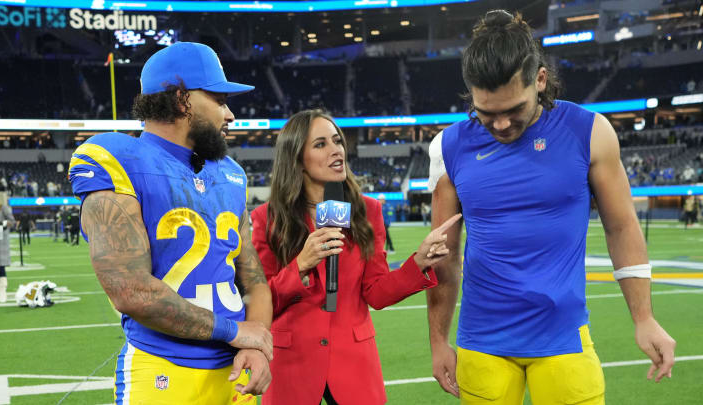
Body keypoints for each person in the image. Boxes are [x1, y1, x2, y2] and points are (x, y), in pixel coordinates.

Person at [426, 10, 676, 405]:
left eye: (514, 109)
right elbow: (444, 256)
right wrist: (438, 340)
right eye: (487, 113)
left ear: (540, 80)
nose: (503, 125)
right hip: (482, 341)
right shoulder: (448, 147)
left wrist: (643, 318)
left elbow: (622, 227)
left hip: (563, 336)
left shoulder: (590, 132)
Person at [69, 42, 273, 404]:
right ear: (183, 99)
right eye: (220, 99)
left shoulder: (230, 175)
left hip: (234, 375)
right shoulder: (117, 160)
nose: (230, 115)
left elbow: (254, 282)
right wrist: (236, 332)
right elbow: (131, 290)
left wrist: (256, 345)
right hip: (164, 371)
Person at [250, 109, 461, 405]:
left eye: (337, 141)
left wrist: (419, 263)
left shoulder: (368, 211)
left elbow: (376, 292)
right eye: (321, 144)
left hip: (353, 363)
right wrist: (300, 265)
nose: (336, 149)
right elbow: (262, 301)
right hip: (291, 364)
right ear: (297, 159)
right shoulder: (267, 218)